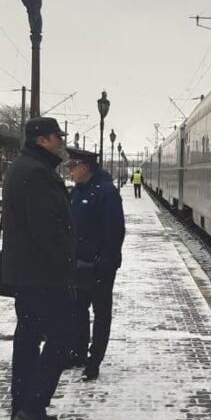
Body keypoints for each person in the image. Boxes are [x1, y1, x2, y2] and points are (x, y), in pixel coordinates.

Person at [1, 117, 76, 420]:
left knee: (28, 339)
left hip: (27, 273)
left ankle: (22, 407)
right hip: (43, 274)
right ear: (43, 140)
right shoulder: (37, 174)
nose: (61, 141)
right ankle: (32, 407)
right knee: (63, 339)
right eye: (58, 136)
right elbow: (48, 231)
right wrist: (70, 263)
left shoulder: (21, 168)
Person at [66, 148, 126, 380]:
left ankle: (94, 359)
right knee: (77, 310)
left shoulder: (106, 193)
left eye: (72, 167)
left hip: (100, 266)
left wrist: (106, 262)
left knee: (101, 313)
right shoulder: (78, 191)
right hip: (79, 264)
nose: (70, 172)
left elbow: (115, 231)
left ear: (84, 167)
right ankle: (78, 352)